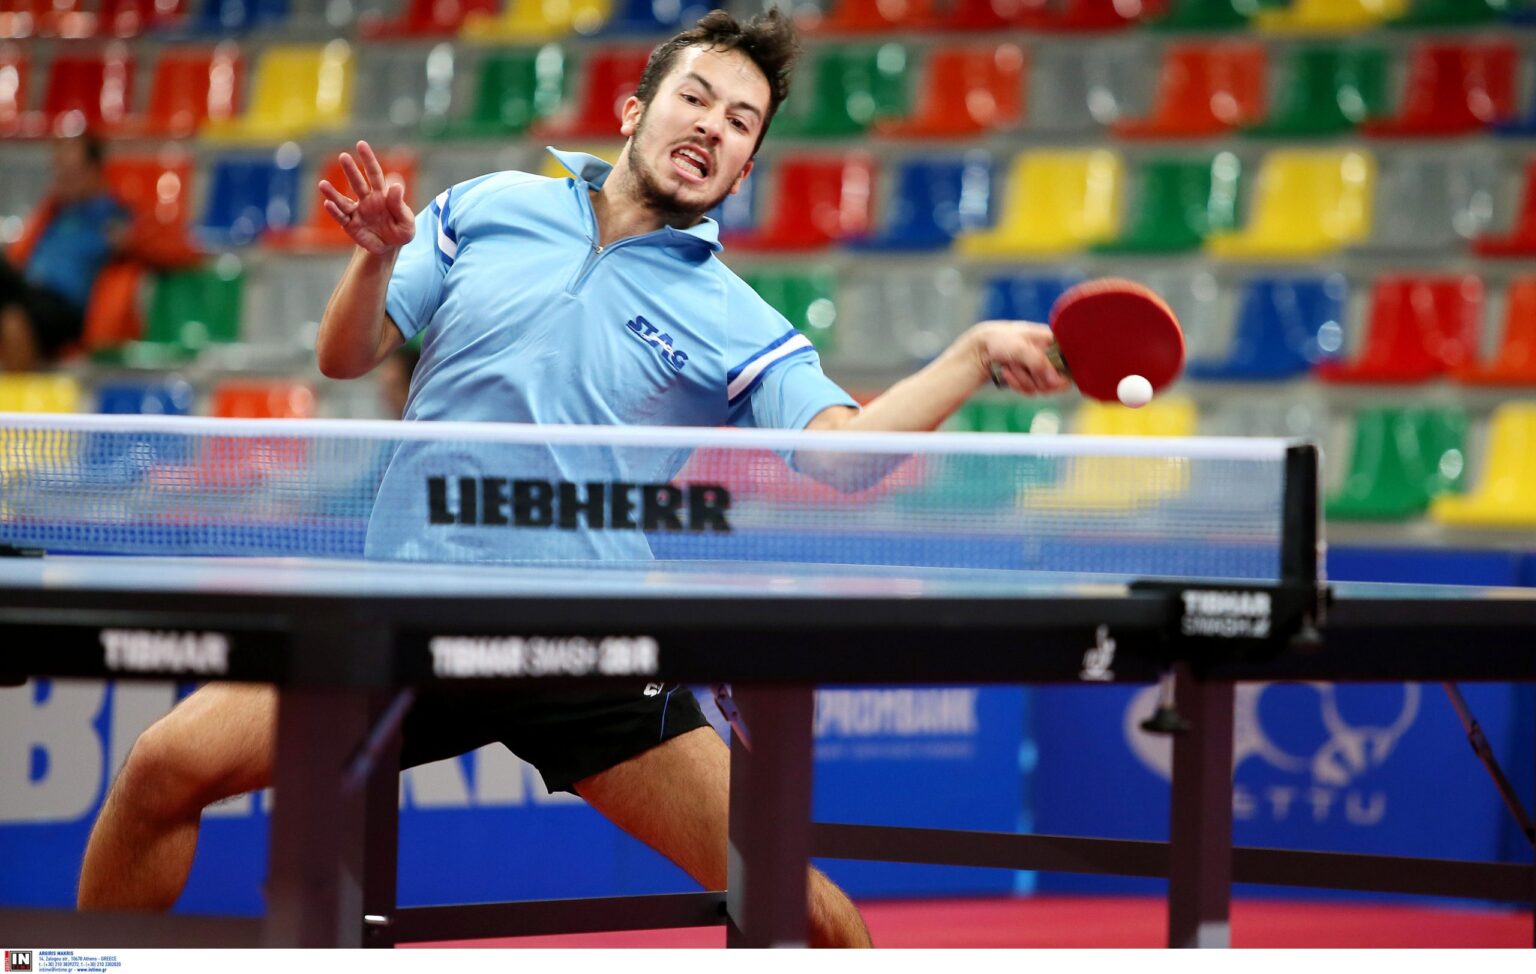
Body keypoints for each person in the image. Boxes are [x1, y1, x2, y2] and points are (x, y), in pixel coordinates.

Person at [77, 10, 1066, 945]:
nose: (712, 127)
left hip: (585, 647)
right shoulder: (489, 207)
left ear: (746, 166)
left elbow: (841, 458)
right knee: (162, 768)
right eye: (696, 98)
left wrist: (972, 353)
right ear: (635, 111)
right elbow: (345, 355)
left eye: (740, 122)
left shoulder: (734, 318)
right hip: (406, 613)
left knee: (806, 913)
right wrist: (374, 259)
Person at [1, 135, 128, 371]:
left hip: (64, 307)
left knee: (13, 316)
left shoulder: (112, 214)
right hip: (29, 291)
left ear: (93, 170)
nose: (63, 179)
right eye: (59, 171)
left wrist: (126, 239)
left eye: (71, 172)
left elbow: (166, 247)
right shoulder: (54, 212)